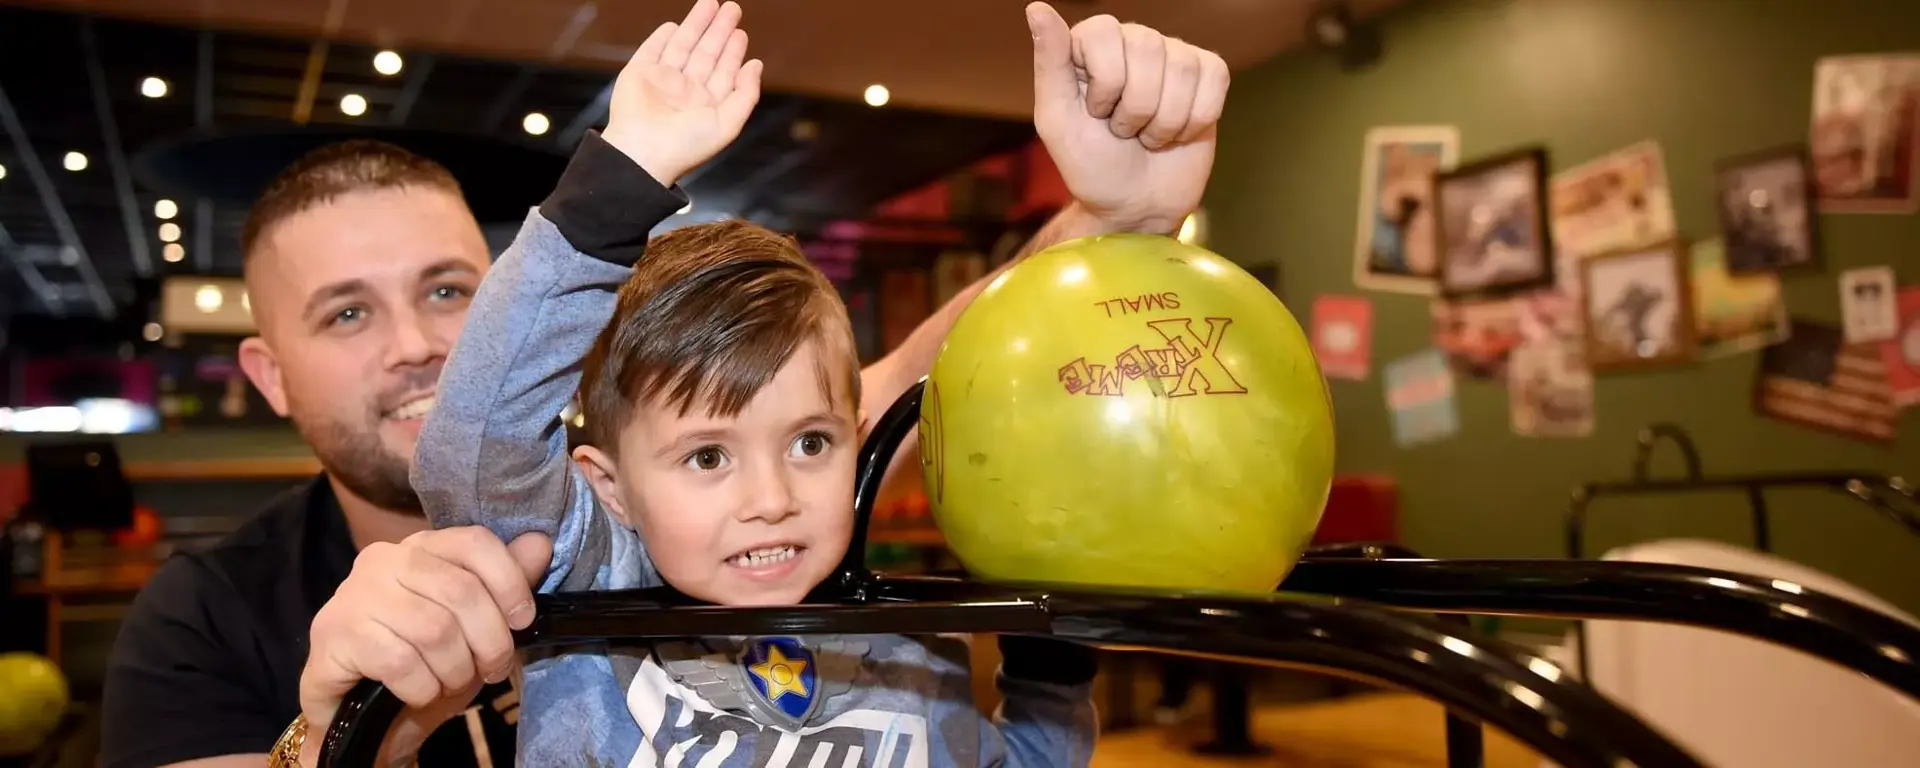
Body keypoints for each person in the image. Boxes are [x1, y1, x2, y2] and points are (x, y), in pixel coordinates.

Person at [266, 0, 1230, 764]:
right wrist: (622, 180)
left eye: (811, 442)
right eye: (707, 455)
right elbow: (477, 441)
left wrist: (1052, 662)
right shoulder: (593, 577)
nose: (771, 500)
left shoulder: (911, 648)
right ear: (607, 484)